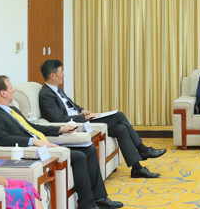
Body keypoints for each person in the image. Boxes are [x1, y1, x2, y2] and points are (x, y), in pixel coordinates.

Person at [0, 75, 132, 209]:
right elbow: (1, 138)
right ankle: (87, 207)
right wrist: (33, 142)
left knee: (90, 150)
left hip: (44, 144)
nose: (13, 91)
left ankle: (100, 198)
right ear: (3, 93)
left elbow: (33, 127)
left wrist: (60, 129)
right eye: (10, 88)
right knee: (79, 156)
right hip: (33, 151)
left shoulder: (12, 109)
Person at [38, 59, 166, 178]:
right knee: (119, 115)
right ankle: (143, 149)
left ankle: (137, 168)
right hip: (76, 125)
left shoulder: (57, 90)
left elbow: (72, 106)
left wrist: (83, 110)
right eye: (61, 71)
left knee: (120, 128)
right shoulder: (46, 94)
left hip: (81, 119)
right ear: (52, 75)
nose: (64, 74)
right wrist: (84, 117)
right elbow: (59, 118)